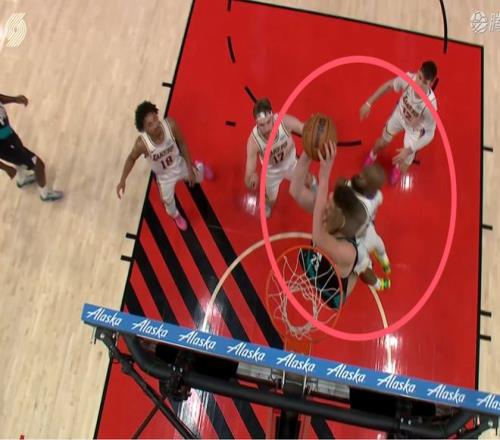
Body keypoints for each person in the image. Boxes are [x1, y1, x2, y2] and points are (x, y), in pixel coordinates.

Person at [290, 149, 389, 293]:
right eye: (362, 173)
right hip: (356, 238)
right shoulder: (352, 193)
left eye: (364, 178)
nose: (360, 176)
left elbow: (319, 233)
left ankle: (382, 262)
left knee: (377, 246)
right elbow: (297, 191)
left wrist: (322, 180)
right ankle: (377, 282)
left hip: (362, 231)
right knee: (363, 264)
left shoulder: (369, 201)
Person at [116, 101, 212, 231]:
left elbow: (182, 143)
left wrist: (189, 167)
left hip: (179, 164)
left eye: (155, 119)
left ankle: (200, 166)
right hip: (164, 177)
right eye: (150, 124)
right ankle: (177, 217)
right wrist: (123, 180)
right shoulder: (142, 144)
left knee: (198, 177)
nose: (156, 125)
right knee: (169, 207)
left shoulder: (170, 125)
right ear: (144, 129)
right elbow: (131, 158)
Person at [360, 61, 438, 184]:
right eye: (419, 77)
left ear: (430, 83)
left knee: (404, 164)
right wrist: (368, 103)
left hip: (414, 129)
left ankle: (397, 169)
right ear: (418, 72)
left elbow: (430, 134)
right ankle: (372, 155)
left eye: (424, 82)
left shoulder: (430, 106)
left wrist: (410, 150)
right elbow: (389, 86)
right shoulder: (408, 79)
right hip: (399, 116)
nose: (419, 84)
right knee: (382, 142)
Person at [244, 98, 313, 218]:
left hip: (291, 163)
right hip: (271, 172)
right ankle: (267, 205)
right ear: (256, 123)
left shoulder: (284, 121)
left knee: (307, 179)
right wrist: (251, 181)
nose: (267, 128)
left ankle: (314, 185)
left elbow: (303, 128)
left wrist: (312, 127)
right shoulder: (253, 142)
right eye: (262, 125)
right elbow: (248, 175)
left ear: (273, 116)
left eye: (268, 122)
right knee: (270, 199)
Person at [0, 93, 63, 201]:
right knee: (39, 165)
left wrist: (15, 99)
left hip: (9, 136)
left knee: (21, 160)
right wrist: (6, 168)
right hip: (5, 147)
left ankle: (22, 180)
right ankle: (45, 195)